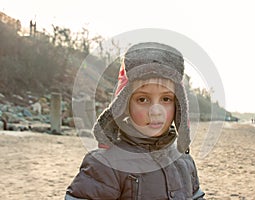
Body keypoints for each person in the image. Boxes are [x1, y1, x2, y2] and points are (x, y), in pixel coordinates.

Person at [65, 42, 205, 200]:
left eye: (166, 99)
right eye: (143, 99)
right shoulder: (106, 164)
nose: (156, 111)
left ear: (179, 106)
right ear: (124, 104)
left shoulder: (184, 161)